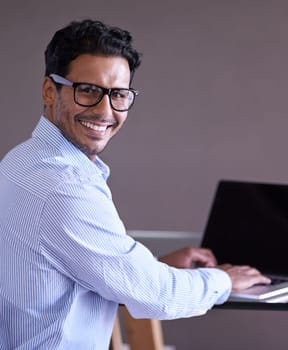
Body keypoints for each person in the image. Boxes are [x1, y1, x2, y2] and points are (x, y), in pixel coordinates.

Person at [0, 19, 270, 349]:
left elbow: (72, 265)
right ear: (48, 90)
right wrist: (224, 280)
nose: (105, 111)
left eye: (119, 95)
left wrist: (153, 267)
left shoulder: (20, 161)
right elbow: (155, 296)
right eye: (87, 91)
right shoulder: (63, 186)